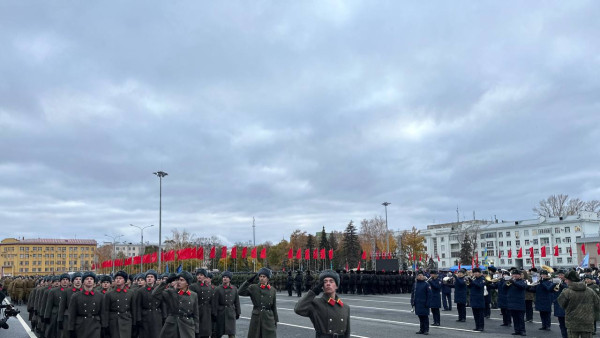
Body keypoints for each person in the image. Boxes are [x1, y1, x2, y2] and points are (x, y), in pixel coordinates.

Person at [295, 269, 350, 338]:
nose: (328, 284)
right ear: (321, 286)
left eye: (331, 281)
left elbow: (347, 333)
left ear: (337, 286)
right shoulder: (316, 304)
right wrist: (313, 292)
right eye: (325, 281)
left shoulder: (345, 307)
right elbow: (298, 309)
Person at [152, 271, 200, 338]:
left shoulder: (193, 295)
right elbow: (155, 294)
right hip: (172, 325)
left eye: (181, 280)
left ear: (187, 283)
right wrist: (166, 282)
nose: (178, 282)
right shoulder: (171, 292)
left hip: (187, 325)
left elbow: (196, 314)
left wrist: (196, 330)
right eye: (178, 280)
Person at [558, 270, 600, 338]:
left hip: (572, 323)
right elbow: (597, 303)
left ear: (571, 280)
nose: (565, 281)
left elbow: (561, 304)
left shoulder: (567, 292)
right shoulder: (590, 291)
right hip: (587, 322)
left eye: (566, 279)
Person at [239, 267, 279, 338]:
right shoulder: (254, 287)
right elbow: (240, 292)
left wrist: (275, 320)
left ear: (268, 278)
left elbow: (274, 306)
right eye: (260, 276)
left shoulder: (272, 290)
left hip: (268, 317)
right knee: (256, 335)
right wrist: (248, 281)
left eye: (264, 276)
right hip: (257, 316)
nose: (262, 278)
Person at [68, 272, 104, 338]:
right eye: (87, 279)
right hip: (81, 326)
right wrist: (71, 328)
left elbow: (103, 313)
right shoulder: (76, 296)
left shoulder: (100, 296)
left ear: (94, 282)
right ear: (83, 282)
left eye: (91, 279)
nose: (89, 280)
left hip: (95, 325)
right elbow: (72, 314)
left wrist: (104, 327)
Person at [134, 269, 162, 338]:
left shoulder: (159, 290)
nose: (149, 278)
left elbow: (162, 304)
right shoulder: (140, 291)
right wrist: (138, 318)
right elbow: (138, 306)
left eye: (151, 277)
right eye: (148, 277)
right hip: (145, 317)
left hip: (156, 316)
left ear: (155, 279)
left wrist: (164, 316)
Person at [212, 271, 240, 338]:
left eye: (227, 277)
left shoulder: (234, 289)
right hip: (220, 314)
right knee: (217, 333)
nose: (225, 278)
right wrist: (214, 314)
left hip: (231, 313)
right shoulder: (218, 289)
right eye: (223, 277)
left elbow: (237, 302)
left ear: (230, 279)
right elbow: (215, 303)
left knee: (232, 334)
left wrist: (238, 312)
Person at [188, 268, 213, 338]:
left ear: (205, 276)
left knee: (205, 333)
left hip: (206, 313)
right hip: (197, 311)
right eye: (198, 275)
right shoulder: (192, 286)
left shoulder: (209, 287)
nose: (199, 276)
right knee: (196, 332)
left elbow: (211, 300)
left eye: (201, 275)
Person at [507, 269, 527, 336]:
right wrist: (505, 282)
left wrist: (513, 282)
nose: (515, 275)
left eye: (516, 274)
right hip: (512, 302)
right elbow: (504, 288)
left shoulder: (523, 281)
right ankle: (517, 330)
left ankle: (522, 330)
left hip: (519, 302)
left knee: (520, 318)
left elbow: (522, 287)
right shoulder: (511, 282)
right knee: (515, 318)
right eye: (513, 274)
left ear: (519, 275)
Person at [411, 271, 432, 335]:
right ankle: (421, 329)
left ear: (423, 276)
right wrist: (412, 302)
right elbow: (413, 294)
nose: (420, 276)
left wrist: (428, 303)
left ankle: (426, 330)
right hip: (418, 303)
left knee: (425, 317)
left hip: (424, 303)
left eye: (421, 275)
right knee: (420, 317)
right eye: (419, 275)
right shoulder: (415, 284)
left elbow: (429, 294)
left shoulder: (426, 284)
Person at [468, 267, 486, 332]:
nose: (475, 273)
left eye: (477, 272)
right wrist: (469, 282)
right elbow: (469, 287)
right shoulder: (474, 279)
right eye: (474, 272)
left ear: (480, 273)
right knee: (475, 314)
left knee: (480, 314)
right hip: (473, 298)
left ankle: (481, 326)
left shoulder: (482, 279)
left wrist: (472, 281)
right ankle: (477, 326)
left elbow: (480, 286)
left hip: (479, 298)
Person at [553, 270, 568, 338]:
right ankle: (564, 336)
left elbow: (569, 289)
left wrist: (562, 285)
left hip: (566, 306)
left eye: (562, 275)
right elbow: (549, 289)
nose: (560, 276)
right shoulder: (557, 283)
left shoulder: (568, 282)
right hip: (558, 305)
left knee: (567, 324)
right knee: (561, 324)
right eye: (559, 275)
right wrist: (554, 284)